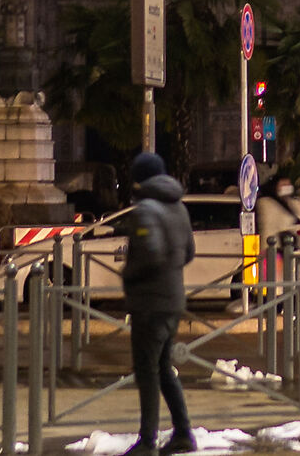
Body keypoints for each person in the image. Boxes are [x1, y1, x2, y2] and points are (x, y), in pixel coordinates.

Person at [122, 151, 195, 456]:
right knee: (163, 369)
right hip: (173, 300)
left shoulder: (144, 211)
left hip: (149, 303)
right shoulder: (178, 206)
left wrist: (128, 274)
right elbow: (189, 252)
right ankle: (182, 433)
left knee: (147, 371)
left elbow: (150, 253)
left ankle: (148, 440)